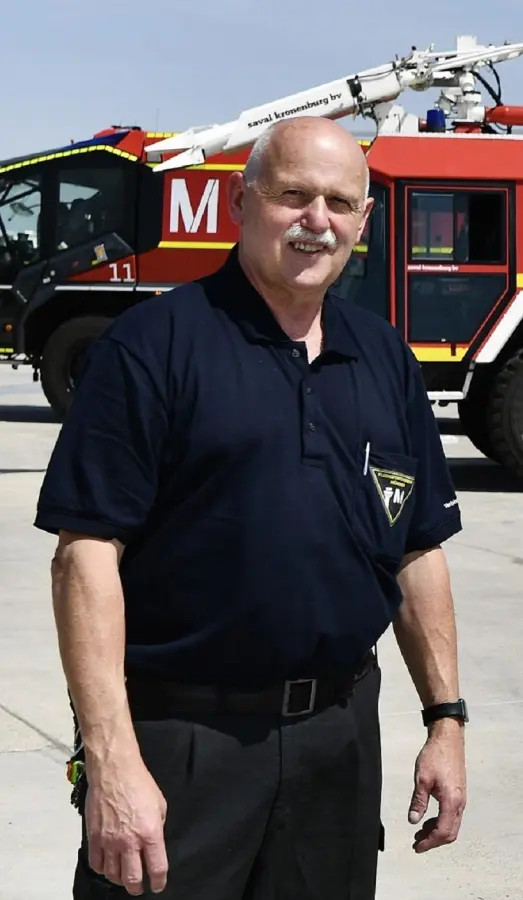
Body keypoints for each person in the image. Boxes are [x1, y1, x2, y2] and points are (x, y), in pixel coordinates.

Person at [36, 116, 470, 899]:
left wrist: (446, 720)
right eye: (293, 196)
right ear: (241, 202)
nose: (317, 221)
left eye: (340, 203)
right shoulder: (152, 347)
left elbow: (417, 548)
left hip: (336, 743)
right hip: (180, 742)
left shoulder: (385, 358)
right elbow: (84, 556)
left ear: (364, 221)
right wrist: (110, 759)